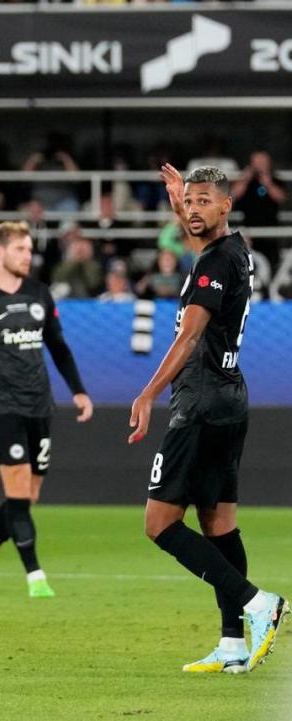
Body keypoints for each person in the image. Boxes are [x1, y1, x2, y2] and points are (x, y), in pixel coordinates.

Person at [129, 165, 288, 675]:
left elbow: (190, 335)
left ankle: (257, 602)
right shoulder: (232, 250)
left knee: (159, 525)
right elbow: (202, 244)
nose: (193, 209)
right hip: (229, 397)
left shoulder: (214, 264)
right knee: (218, 523)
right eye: (189, 202)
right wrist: (180, 205)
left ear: (226, 206)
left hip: (197, 402)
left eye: (203, 202)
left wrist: (149, 392)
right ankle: (233, 644)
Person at [0, 221, 93, 598]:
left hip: (40, 406)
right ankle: (35, 577)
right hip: (2, 408)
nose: (28, 256)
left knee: (25, 497)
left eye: (29, 250)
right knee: (20, 497)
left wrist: (78, 391)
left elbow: (58, 346)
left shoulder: (40, 294)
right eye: (21, 249)